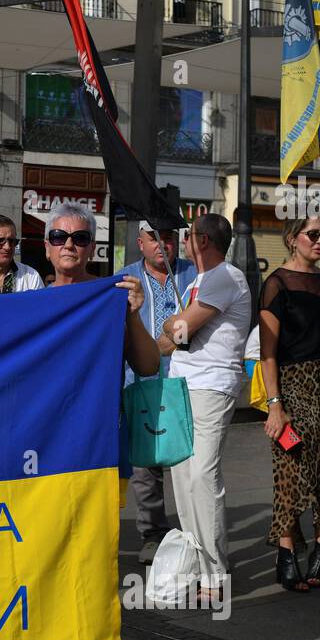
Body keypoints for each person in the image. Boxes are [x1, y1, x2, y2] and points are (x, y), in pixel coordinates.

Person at [0, 200, 160, 640]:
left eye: (79, 238)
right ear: (47, 246)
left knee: (91, 559)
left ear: (92, 246)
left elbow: (147, 366)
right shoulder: (26, 301)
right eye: (59, 238)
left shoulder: (111, 297)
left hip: (95, 448)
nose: (69, 247)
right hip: (31, 450)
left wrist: (135, 316)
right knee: (31, 558)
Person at [160, 213, 251, 600]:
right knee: (183, 476)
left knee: (203, 477)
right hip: (184, 384)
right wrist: (171, 328)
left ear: (202, 241)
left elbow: (179, 330)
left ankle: (215, 574)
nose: (182, 244)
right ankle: (196, 564)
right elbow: (172, 338)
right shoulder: (200, 280)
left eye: (187, 238)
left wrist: (174, 323)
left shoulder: (225, 277)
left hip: (210, 387)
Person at [258, 214, 320, 591]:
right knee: (292, 472)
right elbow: (268, 353)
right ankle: (286, 550)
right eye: (312, 234)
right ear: (292, 238)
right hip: (293, 388)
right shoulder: (276, 284)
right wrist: (275, 404)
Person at [116, 220, 198, 565]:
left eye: (168, 237)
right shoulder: (126, 277)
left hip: (185, 383)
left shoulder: (193, 275)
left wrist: (169, 342)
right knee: (145, 465)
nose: (163, 244)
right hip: (140, 382)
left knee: (188, 460)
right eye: (155, 238)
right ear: (140, 242)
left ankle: (194, 532)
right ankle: (153, 533)